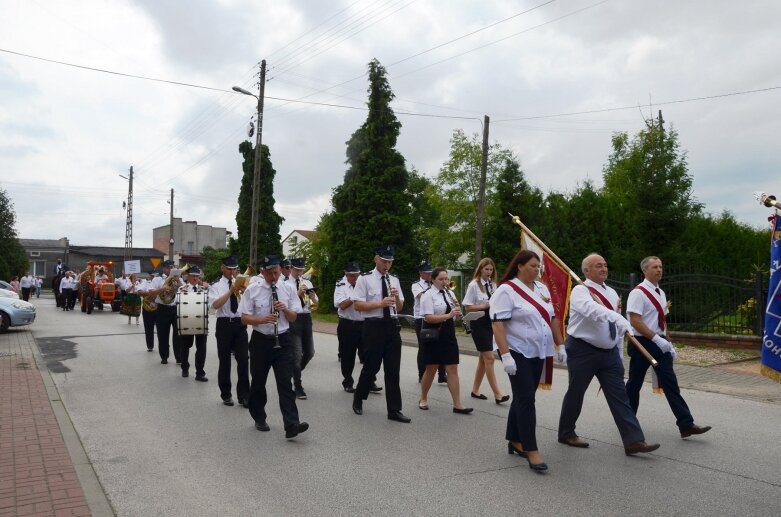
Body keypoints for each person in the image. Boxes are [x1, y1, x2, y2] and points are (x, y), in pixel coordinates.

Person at [558, 253, 661, 456]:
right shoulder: (581, 291)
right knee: (576, 392)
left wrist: (619, 350)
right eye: (598, 266)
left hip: (609, 354)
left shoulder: (612, 293)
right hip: (582, 350)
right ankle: (566, 432)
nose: (604, 268)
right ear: (586, 271)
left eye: (605, 265)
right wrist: (616, 316)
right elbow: (592, 311)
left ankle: (633, 440)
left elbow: (615, 325)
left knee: (619, 396)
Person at [490, 250, 563, 472]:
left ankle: (514, 439)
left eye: (538, 266)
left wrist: (561, 344)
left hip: (538, 351)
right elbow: (498, 324)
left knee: (524, 396)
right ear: (519, 266)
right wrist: (505, 355)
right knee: (526, 401)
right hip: (517, 351)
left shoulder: (541, 288)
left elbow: (551, 317)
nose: (537, 269)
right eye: (532, 265)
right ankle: (531, 449)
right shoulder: (506, 290)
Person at [626, 256, 712, 439]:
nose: (659, 270)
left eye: (660, 267)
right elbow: (635, 321)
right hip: (643, 343)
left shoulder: (660, 292)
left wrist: (668, 340)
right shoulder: (638, 293)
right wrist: (657, 339)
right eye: (655, 267)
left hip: (660, 343)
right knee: (634, 384)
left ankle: (686, 424)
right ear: (645, 271)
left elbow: (662, 319)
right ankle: (627, 422)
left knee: (671, 384)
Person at [238, 255, 309, 439]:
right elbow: (244, 318)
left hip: (283, 340)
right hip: (261, 340)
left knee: (285, 382)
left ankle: (291, 424)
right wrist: (261, 319)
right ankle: (259, 417)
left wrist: (285, 309)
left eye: (276, 273)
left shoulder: (288, 288)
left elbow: (294, 317)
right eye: (269, 273)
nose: (273, 277)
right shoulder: (252, 290)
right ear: (263, 272)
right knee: (259, 382)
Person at [351, 245, 410, 423]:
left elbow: (399, 307)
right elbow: (357, 305)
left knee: (393, 370)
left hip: (392, 326)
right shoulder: (365, 279)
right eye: (384, 261)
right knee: (371, 367)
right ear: (376, 259)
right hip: (373, 326)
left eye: (390, 261)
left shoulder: (394, 280)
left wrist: (396, 298)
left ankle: (394, 409)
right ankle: (358, 398)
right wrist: (380, 304)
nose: (387, 264)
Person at [418, 267, 473, 414]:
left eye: (446, 279)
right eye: (441, 279)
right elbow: (428, 317)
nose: (445, 282)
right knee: (431, 369)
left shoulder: (450, 293)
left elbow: (453, 317)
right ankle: (423, 398)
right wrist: (448, 315)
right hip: (433, 332)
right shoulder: (427, 295)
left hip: (448, 333)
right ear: (433, 280)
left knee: (452, 368)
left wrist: (457, 313)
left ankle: (458, 404)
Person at [462, 257, 509, 404]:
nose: (489, 272)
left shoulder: (493, 284)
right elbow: (468, 306)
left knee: (483, 360)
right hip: (479, 323)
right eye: (486, 269)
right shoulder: (474, 285)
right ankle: (498, 394)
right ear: (480, 269)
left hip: (491, 322)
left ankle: (475, 390)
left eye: (491, 269)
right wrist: (484, 305)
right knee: (489, 358)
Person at [208, 256, 250, 407]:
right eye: (229, 268)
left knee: (244, 360)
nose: (232, 272)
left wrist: (245, 291)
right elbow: (215, 305)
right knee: (225, 361)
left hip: (239, 324)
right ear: (222, 268)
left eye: (234, 269)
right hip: (224, 323)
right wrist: (231, 291)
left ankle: (244, 395)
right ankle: (226, 394)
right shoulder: (216, 285)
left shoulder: (243, 284)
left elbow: (251, 304)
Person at [286, 258, 318, 400]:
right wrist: (297, 294)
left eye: (301, 270)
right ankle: (298, 386)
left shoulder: (308, 282)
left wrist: (312, 297)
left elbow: (316, 302)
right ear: (291, 268)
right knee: (297, 354)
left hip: (306, 318)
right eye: (297, 269)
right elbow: (285, 304)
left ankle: (295, 371)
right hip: (294, 318)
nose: (299, 272)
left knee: (310, 352)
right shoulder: (285, 284)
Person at [411, 261, 446, 384]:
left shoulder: (437, 285)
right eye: (427, 273)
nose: (430, 275)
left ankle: (442, 375)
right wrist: (434, 289)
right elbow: (422, 297)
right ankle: (422, 374)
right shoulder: (416, 285)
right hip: (421, 318)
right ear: (420, 273)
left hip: (438, 317)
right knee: (424, 347)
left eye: (431, 273)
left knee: (442, 345)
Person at [334, 262, 365, 393]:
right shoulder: (341, 285)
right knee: (348, 356)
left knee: (369, 355)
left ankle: (370, 380)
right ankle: (348, 381)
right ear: (346, 275)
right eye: (352, 276)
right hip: (348, 324)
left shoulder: (364, 283)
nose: (356, 278)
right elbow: (341, 305)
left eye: (357, 275)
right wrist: (354, 297)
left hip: (364, 324)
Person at [146, 260, 182, 365]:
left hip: (175, 308)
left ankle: (179, 357)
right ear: (164, 268)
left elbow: (186, 290)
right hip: (162, 309)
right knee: (162, 335)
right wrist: (162, 289)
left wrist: (179, 282)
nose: (170, 269)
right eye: (168, 267)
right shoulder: (157, 279)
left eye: (172, 267)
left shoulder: (177, 279)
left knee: (178, 335)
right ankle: (164, 357)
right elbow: (151, 293)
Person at [178, 266, 209, 382]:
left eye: (197, 276)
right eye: (193, 276)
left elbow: (209, 305)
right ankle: (185, 368)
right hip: (186, 320)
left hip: (201, 321)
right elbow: (177, 303)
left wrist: (207, 289)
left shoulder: (204, 289)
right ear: (188, 276)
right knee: (185, 347)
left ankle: (200, 373)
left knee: (201, 348)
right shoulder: (182, 289)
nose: (196, 278)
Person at [138, 273, 158, 352]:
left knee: (161, 329)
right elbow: (139, 292)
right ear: (149, 276)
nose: (154, 277)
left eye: (155, 275)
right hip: (147, 309)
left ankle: (163, 345)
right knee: (148, 329)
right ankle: (150, 346)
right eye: (152, 275)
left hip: (158, 308)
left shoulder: (160, 282)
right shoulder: (145, 283)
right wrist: (149, 293)